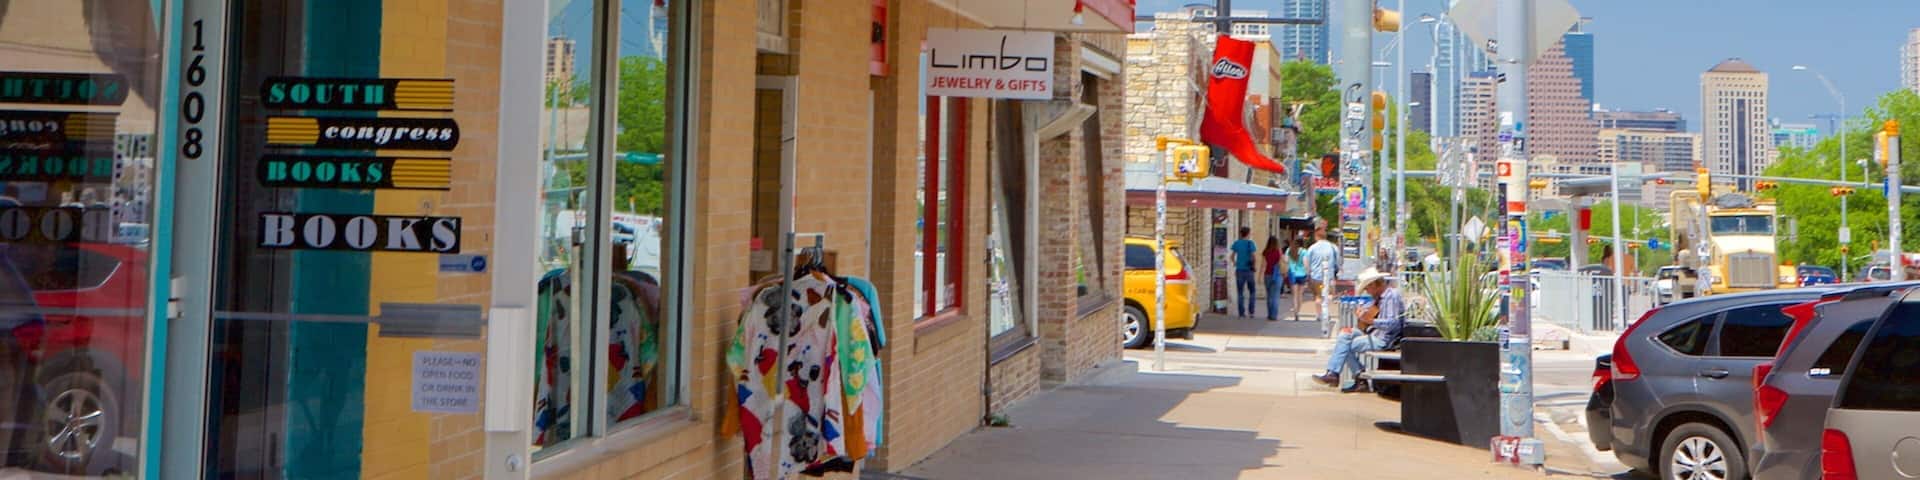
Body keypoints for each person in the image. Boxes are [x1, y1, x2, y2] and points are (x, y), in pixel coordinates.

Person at [1313, 268, 1405, 393]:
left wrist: (1370, 321)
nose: (1367, 291)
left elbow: (1393, 324)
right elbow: (1370, 313)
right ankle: (1335, 373)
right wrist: (1362, 313)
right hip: (1374, 333)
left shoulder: (1391, 296)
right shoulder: (1379, 298)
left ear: (1374, 284)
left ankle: (1355, 377)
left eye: (1367, 288)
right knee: (1344, 335)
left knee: (1345, 345)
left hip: (1384, 338)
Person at [1304, 224, 1340, 321]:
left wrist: (1308, 274)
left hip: (1316, 277)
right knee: (1329, 295)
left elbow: (1306, 262)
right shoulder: (1333, 247)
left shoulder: (1312, 248)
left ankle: (1319, 315)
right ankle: (1326, 313)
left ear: (1316, 236)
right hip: (1329, 276)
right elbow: (1338, 262)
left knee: (1318, 296)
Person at [1231, 227, 1257, 317]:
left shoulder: (1237, 243)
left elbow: (1232, 256)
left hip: (1240, 270)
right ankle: (1251, 311)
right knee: (1252, 291)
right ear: (1248, 233)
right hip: (1249, 270)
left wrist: (1235, 263)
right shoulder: (1251, 244)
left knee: (1240, 292)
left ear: (1240, 233)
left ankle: (1241, 312)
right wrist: (1254, 265)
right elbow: (1254, 256)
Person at [1262, 236, 1283, 321]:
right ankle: (1274, 316)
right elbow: (1281, 263)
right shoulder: (1279, 251)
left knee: (1269, 296)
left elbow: (1263, 265)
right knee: (1275, 296)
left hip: (1267, 274)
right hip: (1277, 275)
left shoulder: (1265, 252)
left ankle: (1270, 314)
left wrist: (1260, 276)